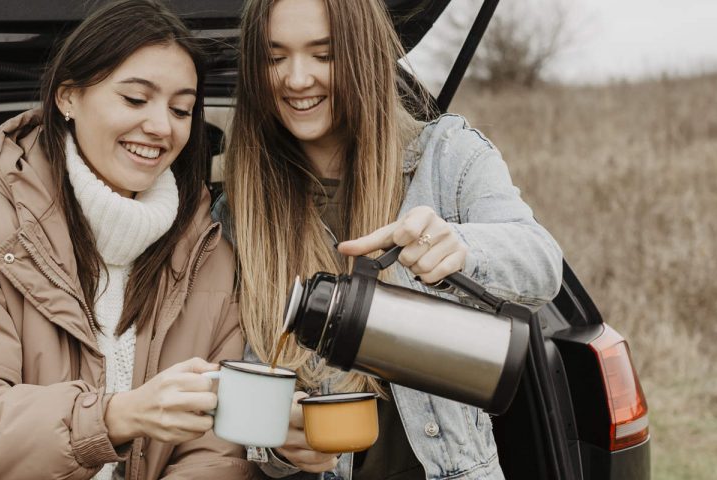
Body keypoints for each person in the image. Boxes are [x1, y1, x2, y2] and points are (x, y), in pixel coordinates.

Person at [0, 1, 256, 479]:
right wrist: (113, 417)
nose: (162, 126)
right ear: (68, 97)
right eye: (136, 99)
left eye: (181, 108)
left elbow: (217, 449)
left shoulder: (208, 248)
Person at [214, 0, 564, 478]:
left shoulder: (447, 158)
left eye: (324, 54)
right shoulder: (243, 214)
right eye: (276, 58)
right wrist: (280, 449)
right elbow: (251, 400)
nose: (296, 79)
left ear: (363, 55)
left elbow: (543, 265)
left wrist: (459, 247)